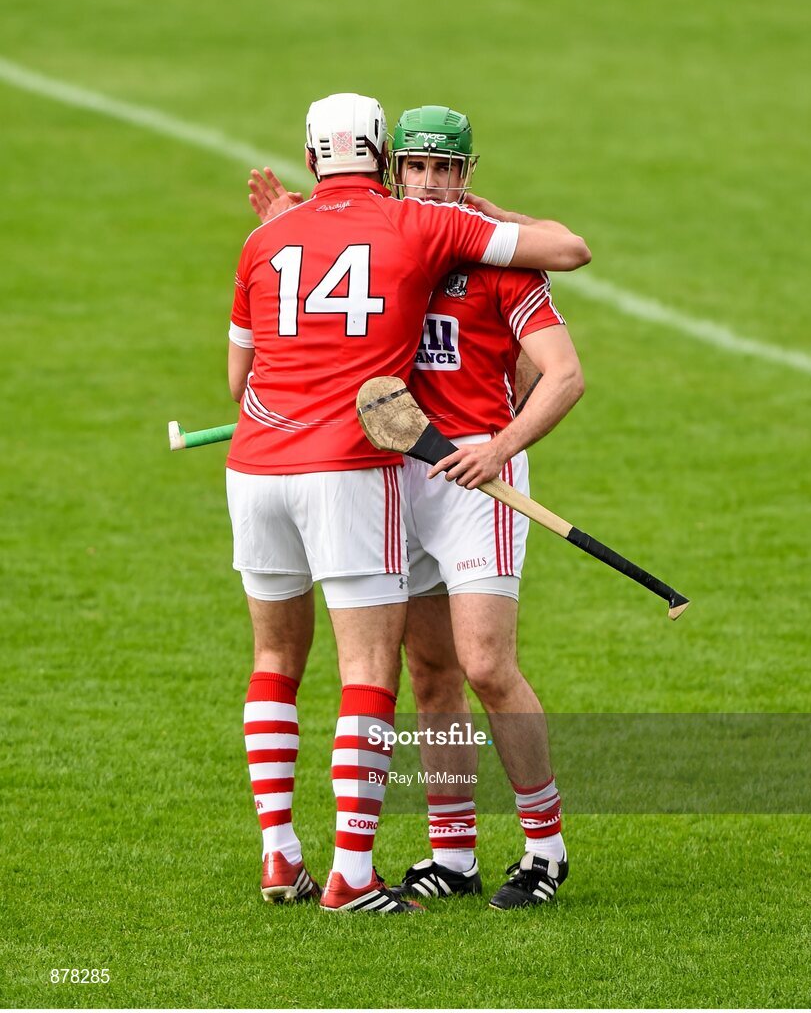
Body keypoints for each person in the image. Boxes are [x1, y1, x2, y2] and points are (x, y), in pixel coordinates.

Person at [227, 93, 591, 914]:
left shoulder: (495, 260)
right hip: (393, 479)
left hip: (480, 481)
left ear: (467, 173)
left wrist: (499, 446)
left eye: (446, 169)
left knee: (487, 665)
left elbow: (562, 371)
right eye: (416, 167)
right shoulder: (390, 235)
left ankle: (544, 846)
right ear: (393, 167)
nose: (428, 183)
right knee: (428, 673)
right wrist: (293, 216)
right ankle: (452, 852)